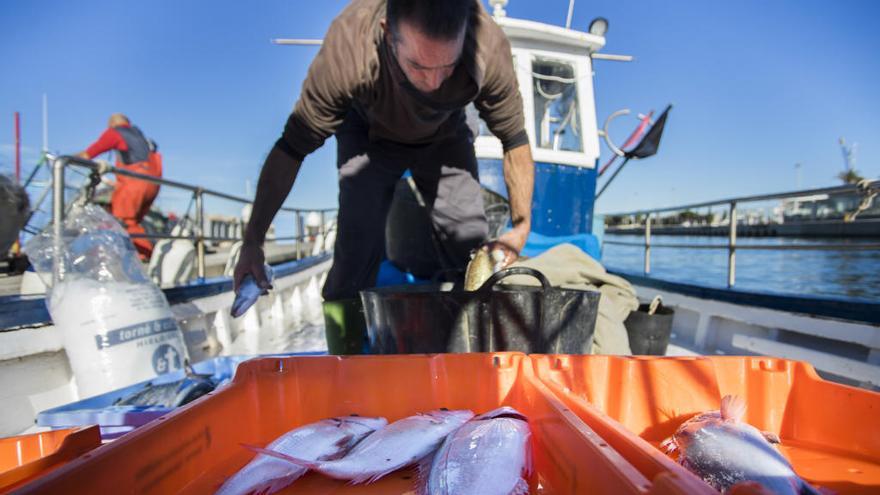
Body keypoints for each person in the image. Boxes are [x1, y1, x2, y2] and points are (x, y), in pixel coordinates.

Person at [234, 0, 534, 352]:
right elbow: (291, 149)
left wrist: (522, 226)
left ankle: (475, 355)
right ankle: (345, 367)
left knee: (470, 243)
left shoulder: (488, 46)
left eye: (447, 67)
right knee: (355, 248)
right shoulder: (348, 51)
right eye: (418, 66)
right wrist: (253, 241)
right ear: (386, 35)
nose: (434, 83)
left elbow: (514, 139)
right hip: (368, 136)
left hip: (446, 135)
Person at [79, 114, 163, 260]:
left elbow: (89, 153)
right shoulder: (140, 136)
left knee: (125, 221)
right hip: (153, 184)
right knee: (134, 222)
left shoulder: (115, 132)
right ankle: (146, 257)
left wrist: (64, 161)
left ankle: (144, 258)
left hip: (135, 183)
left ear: (112, 123)